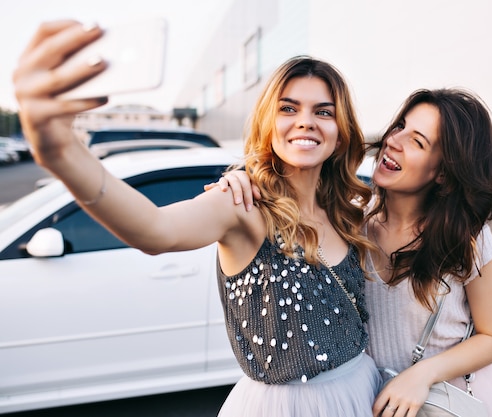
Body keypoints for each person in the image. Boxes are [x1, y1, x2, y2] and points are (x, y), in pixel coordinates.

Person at [13, 20, 382, 417]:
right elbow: (155, 231)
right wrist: (61, 152)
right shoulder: (243, 205)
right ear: (268, 123)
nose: (306, 121)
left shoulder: (347, 211)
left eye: (323, 112)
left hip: (360, 389)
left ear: (340, 133)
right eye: (288, 108)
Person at [214, 88, 492, 417]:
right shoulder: (349, 224)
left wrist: (422, 375)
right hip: (372, 400)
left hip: (447, 399)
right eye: (400, 126)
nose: (394, 140)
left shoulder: (466, 236)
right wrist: (241, 180)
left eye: (417, 141)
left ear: (443, 172)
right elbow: (292, 192)